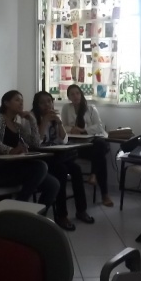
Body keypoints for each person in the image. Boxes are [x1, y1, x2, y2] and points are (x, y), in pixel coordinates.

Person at [0, 90, 59, 208]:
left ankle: (37, 216)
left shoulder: (16, 125)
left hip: (14, 167)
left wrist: (32, 120)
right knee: (40, 166)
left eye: (22, 101)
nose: (21, 103)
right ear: (6, 103)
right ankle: (18, 207)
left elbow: (35, 143)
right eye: (17, 100)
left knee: (53, 185)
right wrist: (10, 150)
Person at [32, 91, 94, 230]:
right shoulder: (32, 117)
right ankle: (62, 215)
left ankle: (81, 210)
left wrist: (59, 123)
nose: (47, 105)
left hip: (57, 155)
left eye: (49, 101)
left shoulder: (55, 116)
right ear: (36, 105)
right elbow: (36, 142)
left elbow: (64, 140)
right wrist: (44, 121)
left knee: (76, 169)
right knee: (61, 171)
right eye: (42, 103)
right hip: (41, 158)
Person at [61, 84, 113, 207]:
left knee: (100, 145)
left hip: (93, 144)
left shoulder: (91, 108)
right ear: (69, 97)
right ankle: (102, 191)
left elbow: (99, 126)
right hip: (78, 146)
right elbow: (62, 126)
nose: (75, 96)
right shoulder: (66, 108)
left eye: (77, 93)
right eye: (72, 94)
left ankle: (95, 177)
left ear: (81, 94)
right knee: (101, 158)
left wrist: (84, 130)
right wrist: (72, 129)